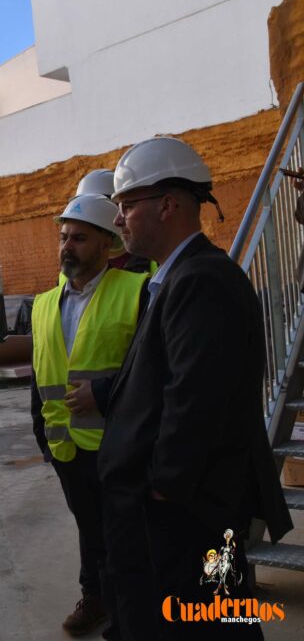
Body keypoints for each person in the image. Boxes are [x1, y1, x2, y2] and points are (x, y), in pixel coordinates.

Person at [100, 137, 293, 640]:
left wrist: (163, 487)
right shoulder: (171, 279)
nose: (117, 220)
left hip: (195, 515)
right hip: (185, 511)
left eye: (124, 206)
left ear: (166, 205)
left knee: (215, 624)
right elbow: (157, 383)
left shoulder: (202, 280)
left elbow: (195, 401)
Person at [29, 194, 148, 638]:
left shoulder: (136, 293)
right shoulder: (44, 304)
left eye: (79, 238)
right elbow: (42, 374)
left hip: (118, 445)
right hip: (67, 447)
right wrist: (43, 434)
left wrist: (103, 393)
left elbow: (150, 372)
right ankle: (96, 600)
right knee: (91, 535)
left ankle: (125, 620)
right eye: (63, 237)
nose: (67, 246)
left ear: (107, 244)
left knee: (125, 544)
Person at [74, 169, 154, 275]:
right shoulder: (73, 268)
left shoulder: (152, 261)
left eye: (96, 209)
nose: (88, 217)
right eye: (84, 209)